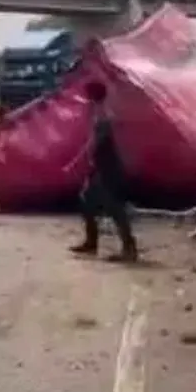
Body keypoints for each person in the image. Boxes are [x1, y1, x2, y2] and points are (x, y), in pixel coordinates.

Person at [70, 80, 139, 262]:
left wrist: (80, 161)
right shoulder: (99, 112)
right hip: (101, 167)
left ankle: (129, 248)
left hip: (107, 168)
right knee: (87, 201)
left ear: (92, 95)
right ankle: (92, 242)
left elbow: (97, 142)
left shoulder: (103, 114)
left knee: (114, 207)